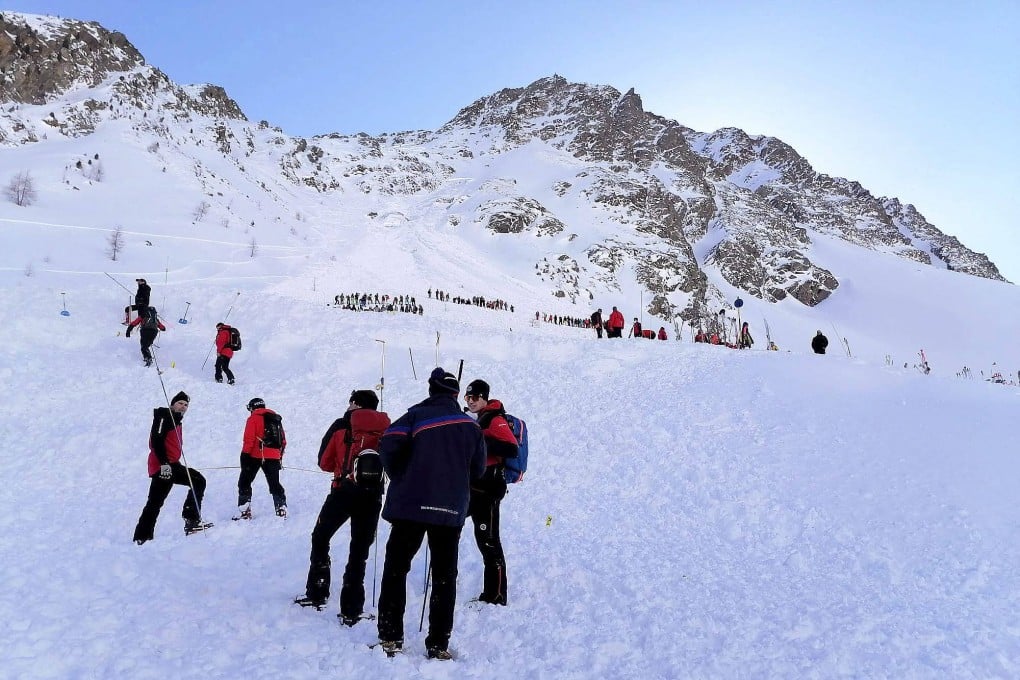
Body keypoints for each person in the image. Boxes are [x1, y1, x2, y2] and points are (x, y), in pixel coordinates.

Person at [375, 368, 486, 660]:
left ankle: (390, 637)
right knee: (445, 577)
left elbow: (387, 443)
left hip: (410, 506)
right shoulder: (472, 427)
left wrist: (399, 474)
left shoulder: (415, 417)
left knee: (396, 569)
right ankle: (438, 643)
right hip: (450, 510)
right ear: (455, 394)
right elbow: (478, 470)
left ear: (431, 390)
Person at [295, 389, 391, 624]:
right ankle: (351, 609)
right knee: (359, 551)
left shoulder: (342, 425)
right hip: (373, 496)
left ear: (354, 404)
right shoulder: (386, 428)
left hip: (343, 491)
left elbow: (324, 462)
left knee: (320, 537)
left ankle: (317, 591)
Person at [463, 379, 518, 607]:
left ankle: (496, 595)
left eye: (475, 397)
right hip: (474, 487)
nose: (470, 401)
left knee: (489, 541)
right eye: (467, 397)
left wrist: (481, 439)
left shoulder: (495, 419)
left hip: (489, 490)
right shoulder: (479, 419)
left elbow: (511, 448)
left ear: (484, 397)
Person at [132, 392, 209, 544]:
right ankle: (191, 520)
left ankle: (142, 538)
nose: (183, 407)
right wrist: (165, 465)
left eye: (186, 405)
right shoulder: (164, 416)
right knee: (198, 481)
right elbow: (156, 441)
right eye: (180, 403)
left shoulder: (176, 420)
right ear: (172, 404)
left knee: (155, 503)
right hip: (164, 466)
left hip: (170, 465)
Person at [236, 398, 287, 520]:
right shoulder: (276, 419)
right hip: (274, 456)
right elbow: (283, 441)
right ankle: (281, 508)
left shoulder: (253, 418)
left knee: (244, 481)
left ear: (252, 408)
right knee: (274, 483)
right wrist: (279, 456)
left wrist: (244, 456)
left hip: (255, 455)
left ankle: (245, 511)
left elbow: (249, 440)